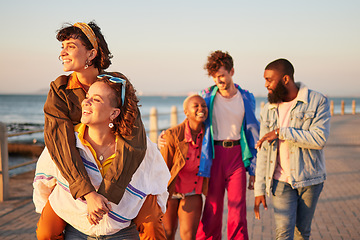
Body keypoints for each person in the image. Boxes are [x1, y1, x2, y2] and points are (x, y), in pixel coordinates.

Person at [37, 21, 165, 239]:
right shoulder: (60, 90)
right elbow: (60, 142)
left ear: (91, 53)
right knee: (46, 232)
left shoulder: (117, 84)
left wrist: (106, 195)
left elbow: (133, 141)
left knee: (152, 225)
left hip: (125, 166)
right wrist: (88, 194)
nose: (63, 52)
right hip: (76, 166)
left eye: (71, 46)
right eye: (62, 47)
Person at [254, 58, 331, 240]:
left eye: (269, 80)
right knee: (283, 233)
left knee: (301, 232)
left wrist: (281, 132)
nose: (266, 85)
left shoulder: (317, 101)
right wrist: (259, 189)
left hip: (310, 180)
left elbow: (319, 139)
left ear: (285, 79)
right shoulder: (269, 109)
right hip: (280, 181)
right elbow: (263, 151)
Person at [196, 50, 260, 240]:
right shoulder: (206, 96)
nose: (219, 81)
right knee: (212, 209)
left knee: (237, 210)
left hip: (237, 157)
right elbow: (193, 122)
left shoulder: (247, 97)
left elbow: (253, 133)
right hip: (213, 156)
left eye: (222, 75)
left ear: (232, 71)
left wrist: (254, 169)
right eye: (215, 77)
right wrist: (169, 134)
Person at [159, 95, 209, 240]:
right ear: (186, 112)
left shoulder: (209, 134)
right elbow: (162, 168)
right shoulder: (171, 135)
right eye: (196, 106)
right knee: (167, 233)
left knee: (188, 236)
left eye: (204, 106)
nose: (201, 109)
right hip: (170, 191)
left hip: (192, 191)